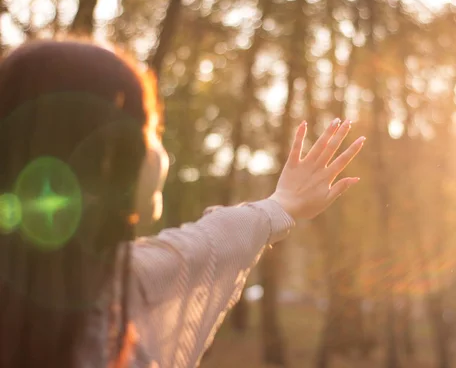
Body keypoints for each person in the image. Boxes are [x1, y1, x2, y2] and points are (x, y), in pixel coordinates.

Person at [0, 39, 365, 368]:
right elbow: (208, 245)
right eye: (150, 129)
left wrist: (282, 203)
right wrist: (282, 204)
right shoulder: (122, 287)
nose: (159, 148)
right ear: (102, 162)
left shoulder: (112, 281)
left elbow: (212, 242)